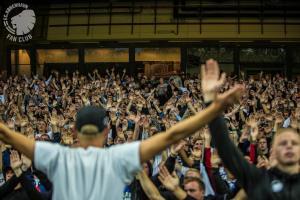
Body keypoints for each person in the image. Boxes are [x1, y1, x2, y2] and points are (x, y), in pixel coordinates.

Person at [0, 74, 244, 199]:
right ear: (107, 132)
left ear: (73, 132)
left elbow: (5, 133)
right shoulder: (119, 158)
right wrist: (213, 106)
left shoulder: (56, 158)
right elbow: (175, 133)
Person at [201, 60, 300, 199]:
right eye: (283, 143)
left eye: (294, 143)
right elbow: (227, 150)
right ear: (274, 150)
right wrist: (211, 102)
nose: (289, 145)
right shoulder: (258, 178)